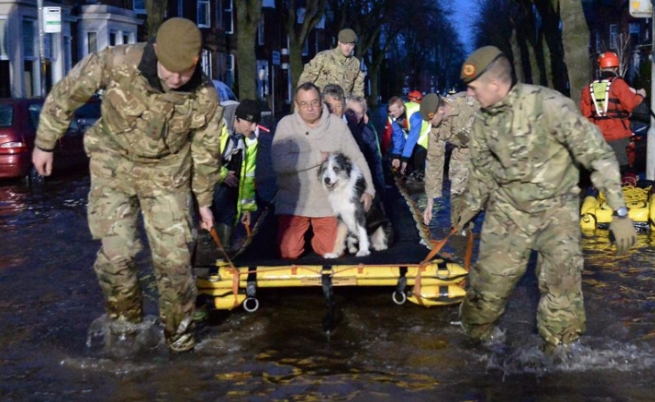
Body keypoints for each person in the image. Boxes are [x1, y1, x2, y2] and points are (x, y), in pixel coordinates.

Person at [32, 18, 224, 353]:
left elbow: (206, 150)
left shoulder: (205, 96)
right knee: (116, 257)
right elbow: (68, 92)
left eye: (185, 72)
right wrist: (45, 142)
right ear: (155, 52)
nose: (177, 80)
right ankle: (126, 329)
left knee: (176, 263)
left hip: (168, 171)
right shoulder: (117, 62)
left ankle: (179, 341)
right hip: (113, 164)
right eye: (170, 70)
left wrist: (204, 200)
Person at [455, 46, 636, 352]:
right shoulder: (483, 122)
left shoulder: (550, 106)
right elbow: (481, 171)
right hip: (507, 214)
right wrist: (467, 210)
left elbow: (597, 153)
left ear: (495, 85)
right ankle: (476, 348)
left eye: (473, 90)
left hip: (557, 212)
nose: (469, 96)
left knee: (562, 291)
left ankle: (560, 359)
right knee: (486, 290)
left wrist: (619, 211)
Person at [271, 82, 375, 259]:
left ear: (320, 103)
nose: (310, 108)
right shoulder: (285, 126)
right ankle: (299, 236)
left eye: (314, 102)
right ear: (296, 105)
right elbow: (279, 164)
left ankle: (316, 237)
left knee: (333, 251)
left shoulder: (337, 126)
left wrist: (369, 189)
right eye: (304, 104)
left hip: (328, 204)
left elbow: (356, 157)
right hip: (294, 202)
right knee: (289, 252)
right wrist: (318, 157)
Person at [420, 92, 480, 227]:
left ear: (441, 110)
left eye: (431, 118)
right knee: (458, 199)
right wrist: (430, 203)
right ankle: (460, 232)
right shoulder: (436, 130)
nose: (429, 123)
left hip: (488, 150)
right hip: (463, 153)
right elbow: (433, 161)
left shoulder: (469, 103)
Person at [580, 51, 646, 171]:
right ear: (616, 67)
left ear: (600, 67)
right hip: (619, 135)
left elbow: (586, 115)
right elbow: (630, 104)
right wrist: (640, 96)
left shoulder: (588, 88)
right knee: (623, 168)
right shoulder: (618, 84)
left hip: (599, 136)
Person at [211, 99, 261, 250]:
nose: (253, 128)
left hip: (229, 176)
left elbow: (248, 176)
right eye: (250, 123)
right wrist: (222, 174)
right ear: (237, 119)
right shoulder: (215, 126)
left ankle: (224, 248)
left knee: (229, 209)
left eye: (256, 123)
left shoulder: (251, 140)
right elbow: (202, 158)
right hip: (205, 178)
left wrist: (247, 207)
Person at [297, 29, 366, 97]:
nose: (347, 48)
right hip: (322, 103)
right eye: (345, 44)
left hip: (343, 105)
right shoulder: (324, 57)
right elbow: (305, 80)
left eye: (351, 45)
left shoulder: (355, 63)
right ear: (339, 43)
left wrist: (356, 105)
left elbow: (358, 89)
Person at [345, 95, 386, 198]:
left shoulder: (367, 133)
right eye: (351, 112)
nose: (355, 116)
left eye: (359, 113)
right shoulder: (340, 129)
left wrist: (378, 190)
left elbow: (375, 163)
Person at [387, 96, 431, 181]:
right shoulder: (393, 117)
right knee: (408, 159)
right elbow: (398, 136)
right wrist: (396, 155)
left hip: (425, 135)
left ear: (402, 108)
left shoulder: (415, 114)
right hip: (412, 136)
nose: (392, 113)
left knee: (419, 157)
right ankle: (409, 178)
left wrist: (404, 158)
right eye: (390, 111)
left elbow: (412, 137)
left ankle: (420, 182)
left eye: (394, 110)